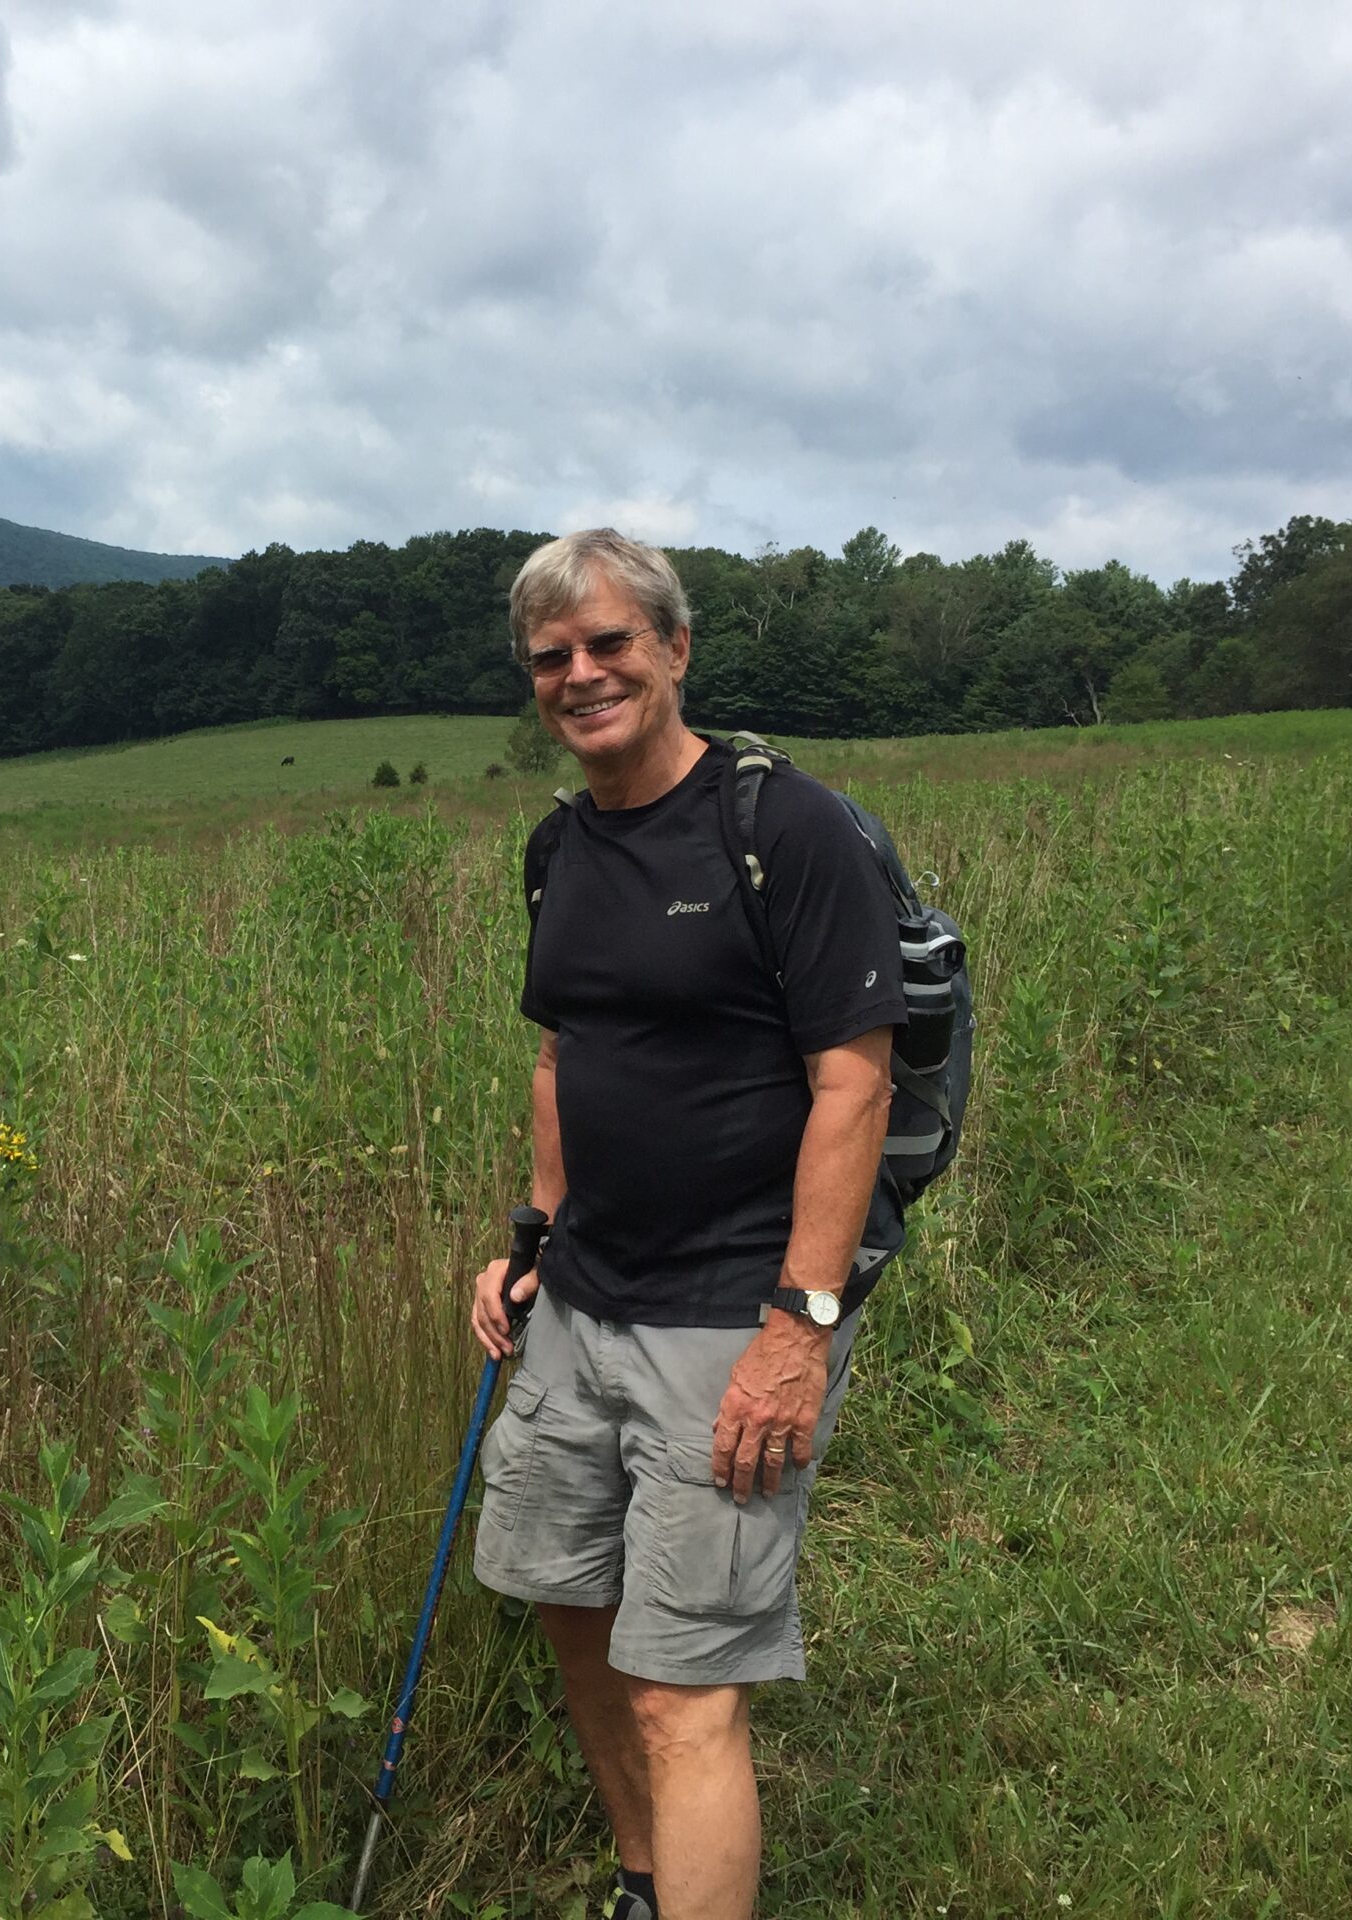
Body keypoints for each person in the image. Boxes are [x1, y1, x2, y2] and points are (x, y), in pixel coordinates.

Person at [469, 529, 905, 1920]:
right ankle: (647, 1882)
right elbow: (563, 1053)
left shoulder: (785, 830)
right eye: (552, 656)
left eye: (610, 643)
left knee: (681, 1688)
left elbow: (855, 1084)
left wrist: (801, 1328)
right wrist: (533, 1235)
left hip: (731, 1316)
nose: (581, 674)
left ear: (674, 649)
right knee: (572, 1608)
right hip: (581, 1300)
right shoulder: (560, 846)